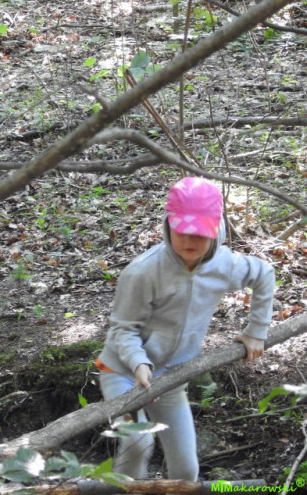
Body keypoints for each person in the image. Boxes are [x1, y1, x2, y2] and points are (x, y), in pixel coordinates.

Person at [95, 176, 275, 479]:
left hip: (173, 375)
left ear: (216, 230)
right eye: (182, 232)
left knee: (186, 469)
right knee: (138, 442)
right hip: (123, 372)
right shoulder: (143, 272)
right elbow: (122, 329)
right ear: (168, 226)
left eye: (200, 234)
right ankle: (121, 489)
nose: (190, 241)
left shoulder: (225, 265)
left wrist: (256, 331)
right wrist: (138, 363)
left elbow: (264, 273)